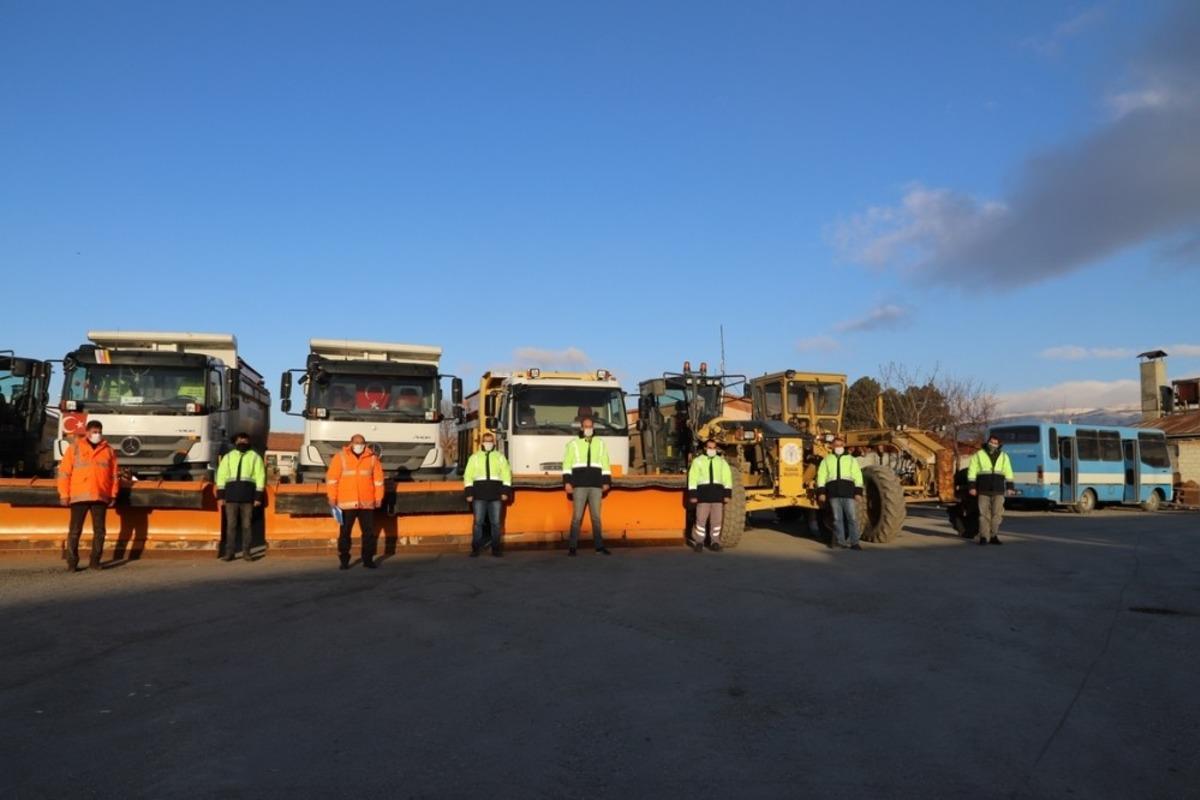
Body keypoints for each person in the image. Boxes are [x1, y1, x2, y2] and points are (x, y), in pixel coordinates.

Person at [57, 420, 119, 572]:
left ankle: (95, 562)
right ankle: (72, 562)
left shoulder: (109, 451)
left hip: (100, 495)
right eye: (94, 432)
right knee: (75, 530)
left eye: (99, 432)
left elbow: (114, 475)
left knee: (100, 531)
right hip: (79, 496)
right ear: (87, 432)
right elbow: (64, 473)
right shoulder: (74, 449)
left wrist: (113, 494)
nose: (96, 435)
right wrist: (64, 494)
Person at [325, 434, 384, 569]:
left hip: (366, 503)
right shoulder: (340, 457)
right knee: (345, 532)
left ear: (365, 443)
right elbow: (332, 479)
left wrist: (379, 497)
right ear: (351, 443)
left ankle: (368, 560)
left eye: (362, 442)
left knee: (368, 533)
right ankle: (344, 560)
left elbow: (378, 481)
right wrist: (332, 497)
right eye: (356, 442)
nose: (359, 445)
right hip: (346, 503)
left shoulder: (373, 458)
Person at [563, 416, 612, 556]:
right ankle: (572, 548)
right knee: (576, 518)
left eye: (590, 426)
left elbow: (605, 462)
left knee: (596, 518)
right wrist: (567, 482)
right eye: (586, 426)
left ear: (593, 428)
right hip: (579, 485)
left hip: (596, 485)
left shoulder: (600, 443)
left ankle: (599, 547)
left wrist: (606, 481)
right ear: (581, 428)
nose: (588, 429)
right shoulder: (573, 444)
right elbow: (567, 464)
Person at [215, 432, 266, 561]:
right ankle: (230, 553)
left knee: (247, 526)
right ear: (235, 442)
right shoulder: (228, 457)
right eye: (239, 440)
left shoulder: (255, 457)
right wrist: (221, 496)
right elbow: (221, 476)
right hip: (230, 497)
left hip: (248, 498)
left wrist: (258, 497)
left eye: (245, 440)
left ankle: (246, 553)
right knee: (231, 526)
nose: (242, 442)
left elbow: (260, 477)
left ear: (249, 442)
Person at [462, 431, 512, 557]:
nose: (488, 443)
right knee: (478, 523)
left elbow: (506, 474)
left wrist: (505, 491)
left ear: (493, 443)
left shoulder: (500, 457)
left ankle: (496, 549)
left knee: (496, 523)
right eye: (486, 441)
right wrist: (469, 492)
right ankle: (475, 549)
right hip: (479, 495)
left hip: (496, 495)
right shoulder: (474, 457)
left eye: (490, 441)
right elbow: (468, 475)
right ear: (482, 442)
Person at [817, 436, 865, 550]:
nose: (838, 447)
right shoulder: (827, 460)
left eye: (840, 445)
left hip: (848, 493)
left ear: (844, 446)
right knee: (837, 519)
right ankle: (840, 542)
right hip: (833, 493)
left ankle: (855, 542)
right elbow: (821, 476)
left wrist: (858, 492)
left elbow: (858, 476)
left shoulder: (851, 459)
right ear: (832, 446)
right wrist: (821, 492)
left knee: (852, 518)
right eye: (836, 445)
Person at [967, 434, 1015, 546]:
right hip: (983, 489)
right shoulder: (978, 455)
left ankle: (993, 536)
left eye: (995, 443)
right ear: (987, 442)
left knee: (997, 515)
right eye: (991, 442)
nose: (993, 444)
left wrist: (1010, 487)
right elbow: (972, 471)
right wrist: (971, 487)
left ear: (999, 445)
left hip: (998, 490)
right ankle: (984, 537)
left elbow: (1008, 472)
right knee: (983, 515)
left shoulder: (1004, 456)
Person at [687, 438, 733, 552]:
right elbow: (693, 478)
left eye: (713, 448)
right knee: (700, 520)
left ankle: (715, 542)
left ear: (716, 449)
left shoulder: (722, 462)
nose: (712, 450)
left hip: (718, 496)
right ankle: (699, 542)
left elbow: (727, 478)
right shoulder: (698, 461)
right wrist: (693, 495)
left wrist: (727, 494)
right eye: (709, 447)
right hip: (703, 496)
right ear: (705, 448)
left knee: (716, 522)